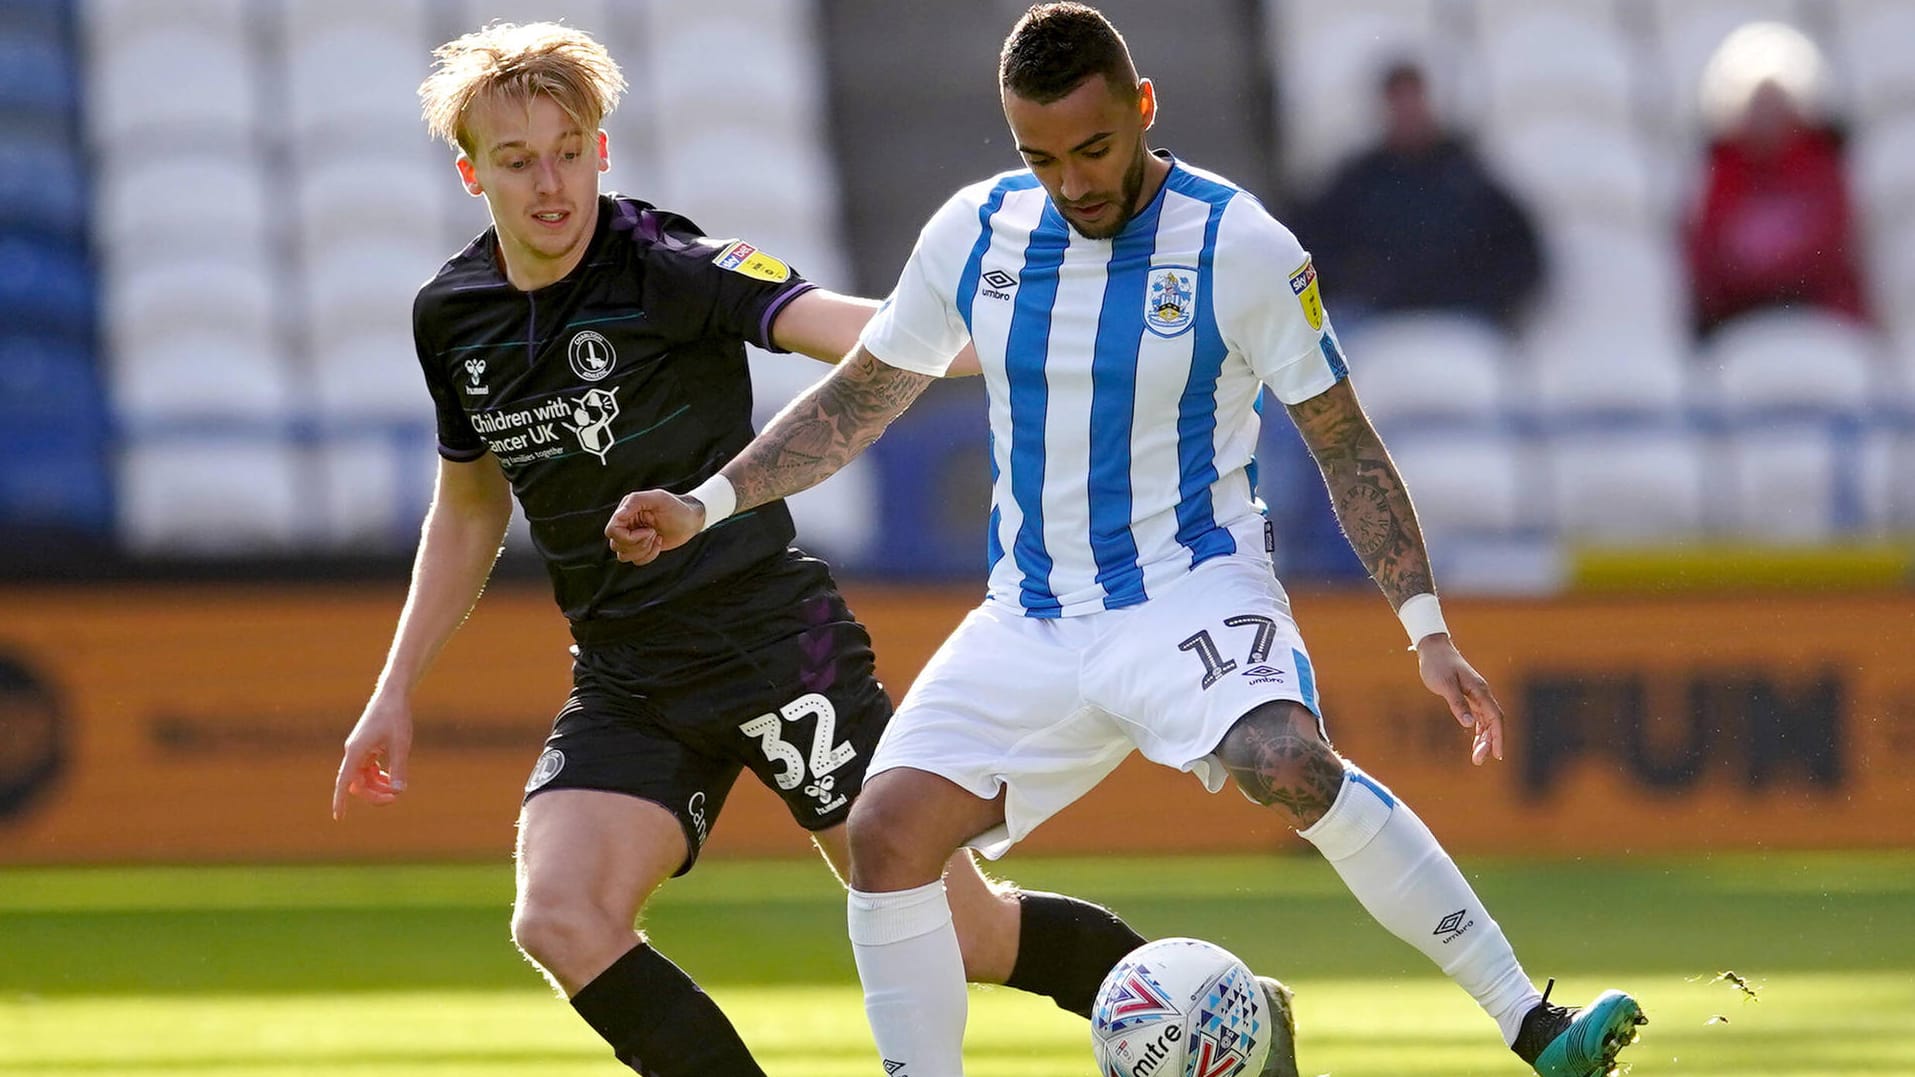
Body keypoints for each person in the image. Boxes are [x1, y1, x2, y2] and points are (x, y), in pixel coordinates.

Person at [605, 5, 1645, 1077]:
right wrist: (706, 502)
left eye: (1095, 148)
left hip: (1189, 586)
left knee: (1284, 762)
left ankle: (1534, 1026)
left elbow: (1343, 442)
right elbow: (861, 396)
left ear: (1143, 109)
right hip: (1032, 615)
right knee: (884, 835)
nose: (1074, 180)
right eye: (1041, 157)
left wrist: (1423, 628)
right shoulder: (974, 232)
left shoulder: (1239, 245)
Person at [327, 22, 1295, 1077]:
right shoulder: (451, 316)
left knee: (969, 936)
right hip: (627, 675)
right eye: (517, 162)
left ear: (602, 150)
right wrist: (394, 688)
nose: (549, 183)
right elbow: (469, 507)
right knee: (559, 918)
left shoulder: (669, 265)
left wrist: (1048, 338)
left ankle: (1235, 1014)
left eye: (569, 151)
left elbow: (865, 333)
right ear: (473, 172)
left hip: (771, 646)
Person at [1297, 59, 1542, 330]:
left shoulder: (1468, 178)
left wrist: (1481, 296)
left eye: (1414, 100)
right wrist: (1360, 282)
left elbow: (1519, 255)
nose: (1408, 112)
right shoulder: (1358, 181)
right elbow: (1311, 244)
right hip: (1374, 315)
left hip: (1459, 315)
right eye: (1399, 103)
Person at [1685, 76, 1868, 336]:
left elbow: (1831, 241)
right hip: (1738, 316)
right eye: (1759, 111)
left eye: (1774, 111)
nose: (1767, 121)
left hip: (1816, 311)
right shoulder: (1724, 170)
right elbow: (1709, 248)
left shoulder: (1818, 162)